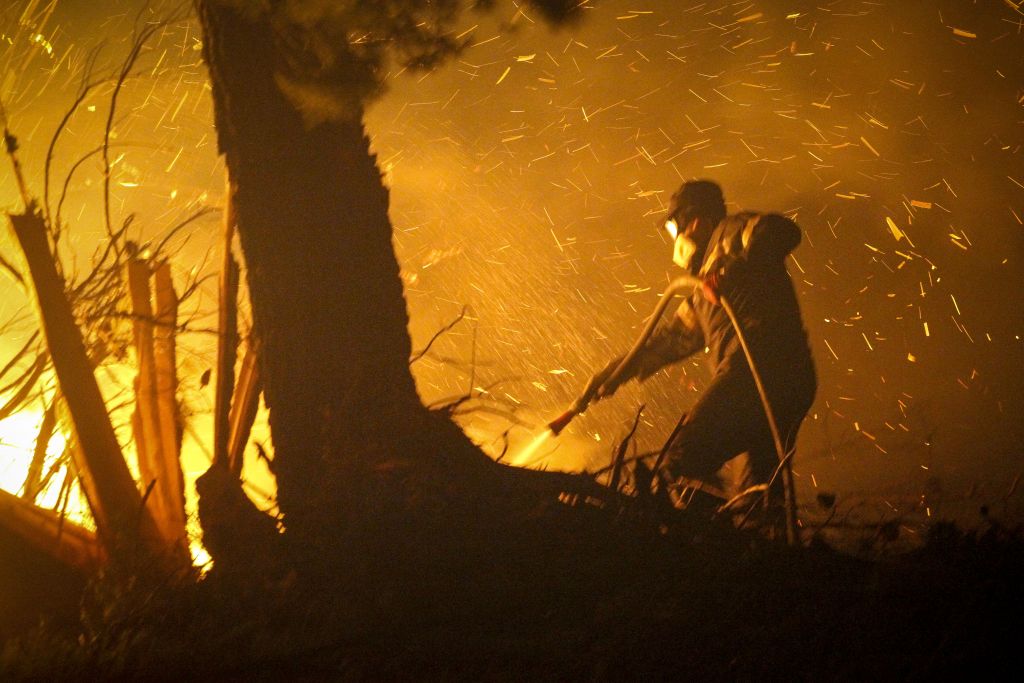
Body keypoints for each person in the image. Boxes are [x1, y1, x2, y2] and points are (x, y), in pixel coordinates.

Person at [580, 180, 816, 513]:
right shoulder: (703, 287)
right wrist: (615, 373)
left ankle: (694, 544)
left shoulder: (729, 234)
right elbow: (672, 338)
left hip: (759, 372)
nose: (676, 239)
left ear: (697, 221)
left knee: (680, 460)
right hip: (791, 380)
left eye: (675, 226)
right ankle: (760, 550)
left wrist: (729, 271)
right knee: (756, 497)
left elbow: (781, 230)